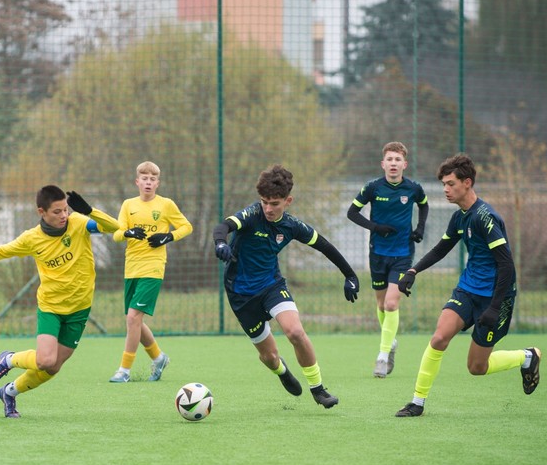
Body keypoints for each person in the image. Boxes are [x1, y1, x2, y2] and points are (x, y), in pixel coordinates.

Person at [0, 186, 119, 418]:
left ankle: (9, 392)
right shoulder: (32, 238)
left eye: (65, 209)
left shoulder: (79, 223)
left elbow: (115, 229)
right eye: (57, 211)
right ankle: (8, 359)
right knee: (46, 359)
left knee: (53, 367)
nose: (64, 215)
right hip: (51, 308)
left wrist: (89, 211)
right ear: (41, 212)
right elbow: (0, 251)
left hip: (79, 310)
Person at [394, 154, 541, 417]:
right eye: (443, 185)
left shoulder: (486, 218)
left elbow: (507, 266)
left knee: (476, 368)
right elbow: (441, 249)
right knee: (439, 337)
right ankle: (417, 402)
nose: (446, 190)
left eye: (450, 184)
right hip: (468, 289)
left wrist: (495, 307)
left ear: (467, 183)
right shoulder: (460, 217)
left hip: (497, 296)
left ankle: (527, 357)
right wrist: (413, 270)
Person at [212, 164, 360, 409]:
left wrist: (350, 275)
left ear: (288, 201)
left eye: (275, 203)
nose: (268, 208)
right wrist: (220, 243)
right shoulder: (251, 215)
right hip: (240, 293)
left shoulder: (291, 226)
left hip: (272, 286)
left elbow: (324, 246)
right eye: (264, 202)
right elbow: (223, 227)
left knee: (295, 332)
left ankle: (318, 388)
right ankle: (281, 371)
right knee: (269, 357)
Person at [347, 141, 429, 378]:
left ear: (405, 164)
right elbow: (352, 212)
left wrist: (420, 228)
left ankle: (382, 356)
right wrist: (375, 227)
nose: (394, 164)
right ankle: (390, 342)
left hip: (403, 254)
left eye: (398, 160)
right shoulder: (372, 188)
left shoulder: (413, 188)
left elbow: (424, 206)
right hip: (377, 253)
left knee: (392, 304)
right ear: (383, 164)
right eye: (390, 160)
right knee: (382, 305)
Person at [108, 161, 193, 383]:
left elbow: (187, 227)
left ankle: (124, 371)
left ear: (157, 183)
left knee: (133, 317)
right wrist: (127, 232)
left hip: (153, 268)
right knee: (133, 319)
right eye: (144, 178)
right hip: (131, 268)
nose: (148, 182)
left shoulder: (166, 205)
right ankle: (158, 358)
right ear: (137, 181)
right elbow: (116, 235)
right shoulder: (128, 205)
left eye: (152, 179)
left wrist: (169, 236)